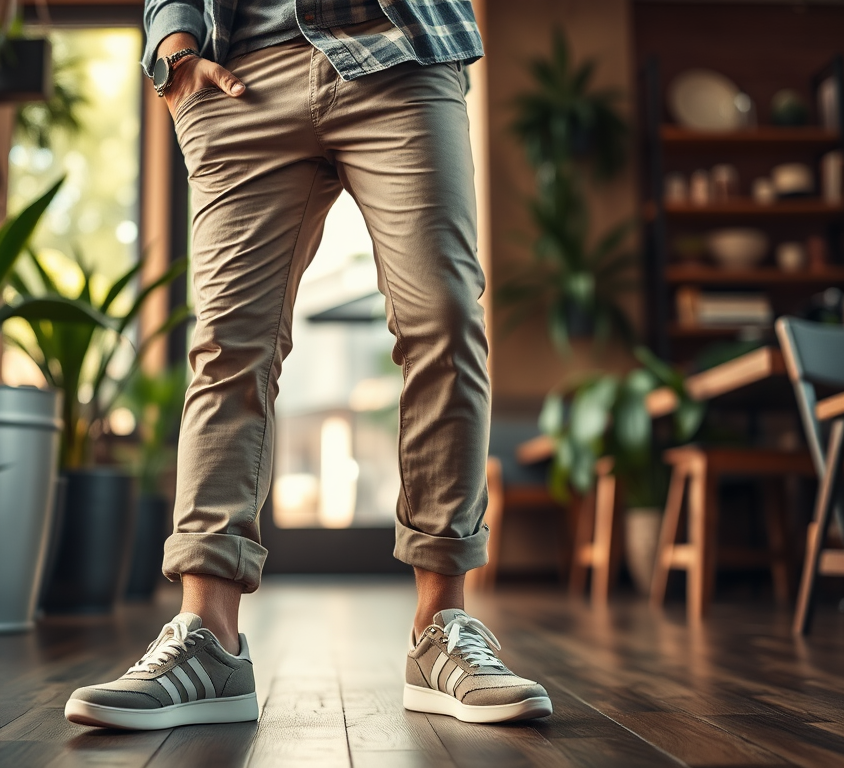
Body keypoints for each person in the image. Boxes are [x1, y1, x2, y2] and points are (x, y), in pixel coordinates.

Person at [64, 0, 552, 730]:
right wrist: (172, 46)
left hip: (401, 50)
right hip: (240, 70)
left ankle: (441, 631)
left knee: (444, 319)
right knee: (229, 344)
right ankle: (209, 640)